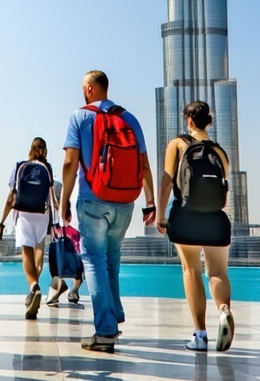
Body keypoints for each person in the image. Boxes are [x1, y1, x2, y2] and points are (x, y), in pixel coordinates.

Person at [59, 70, 155, 352]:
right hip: (125, 202)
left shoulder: (79, 117)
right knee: (112, 258)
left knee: (93, 259)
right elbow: (144, 164)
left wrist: (64, 201)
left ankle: (105, 331)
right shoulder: (130, 118)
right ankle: (114, 314)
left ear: (89, 89)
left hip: (93, 199)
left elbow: (70, 162)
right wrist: (150, 202)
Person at [155, 101, 235, 352]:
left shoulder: (178, 144)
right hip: (215, 219)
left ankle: (200, 335)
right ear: (209, 121)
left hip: (187, 217)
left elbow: (167, 182)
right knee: (218, 272)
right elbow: (223, 188)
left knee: (191, 271)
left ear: (188, 120)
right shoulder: (220, 152)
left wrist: (160, 215)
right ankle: (224, 310)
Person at [0, 137, 56, 319]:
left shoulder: (20, 166)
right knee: (38, 252)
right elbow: (52, 198)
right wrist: (56, 221)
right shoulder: (47, 168)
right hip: (42, 214)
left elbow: (11, 197)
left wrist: (1, 223)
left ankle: (33, 286)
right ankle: (33, 289)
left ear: (30, 149)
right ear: (45, 150)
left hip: (23, 214)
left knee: (27, 253)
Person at [46, 178, 84, 306]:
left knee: (55, 262)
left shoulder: (51, 211)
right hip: (74, 252)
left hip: (59, 249)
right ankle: (74, 290)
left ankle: (57, 287)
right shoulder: (68, 208)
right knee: (79, 269)